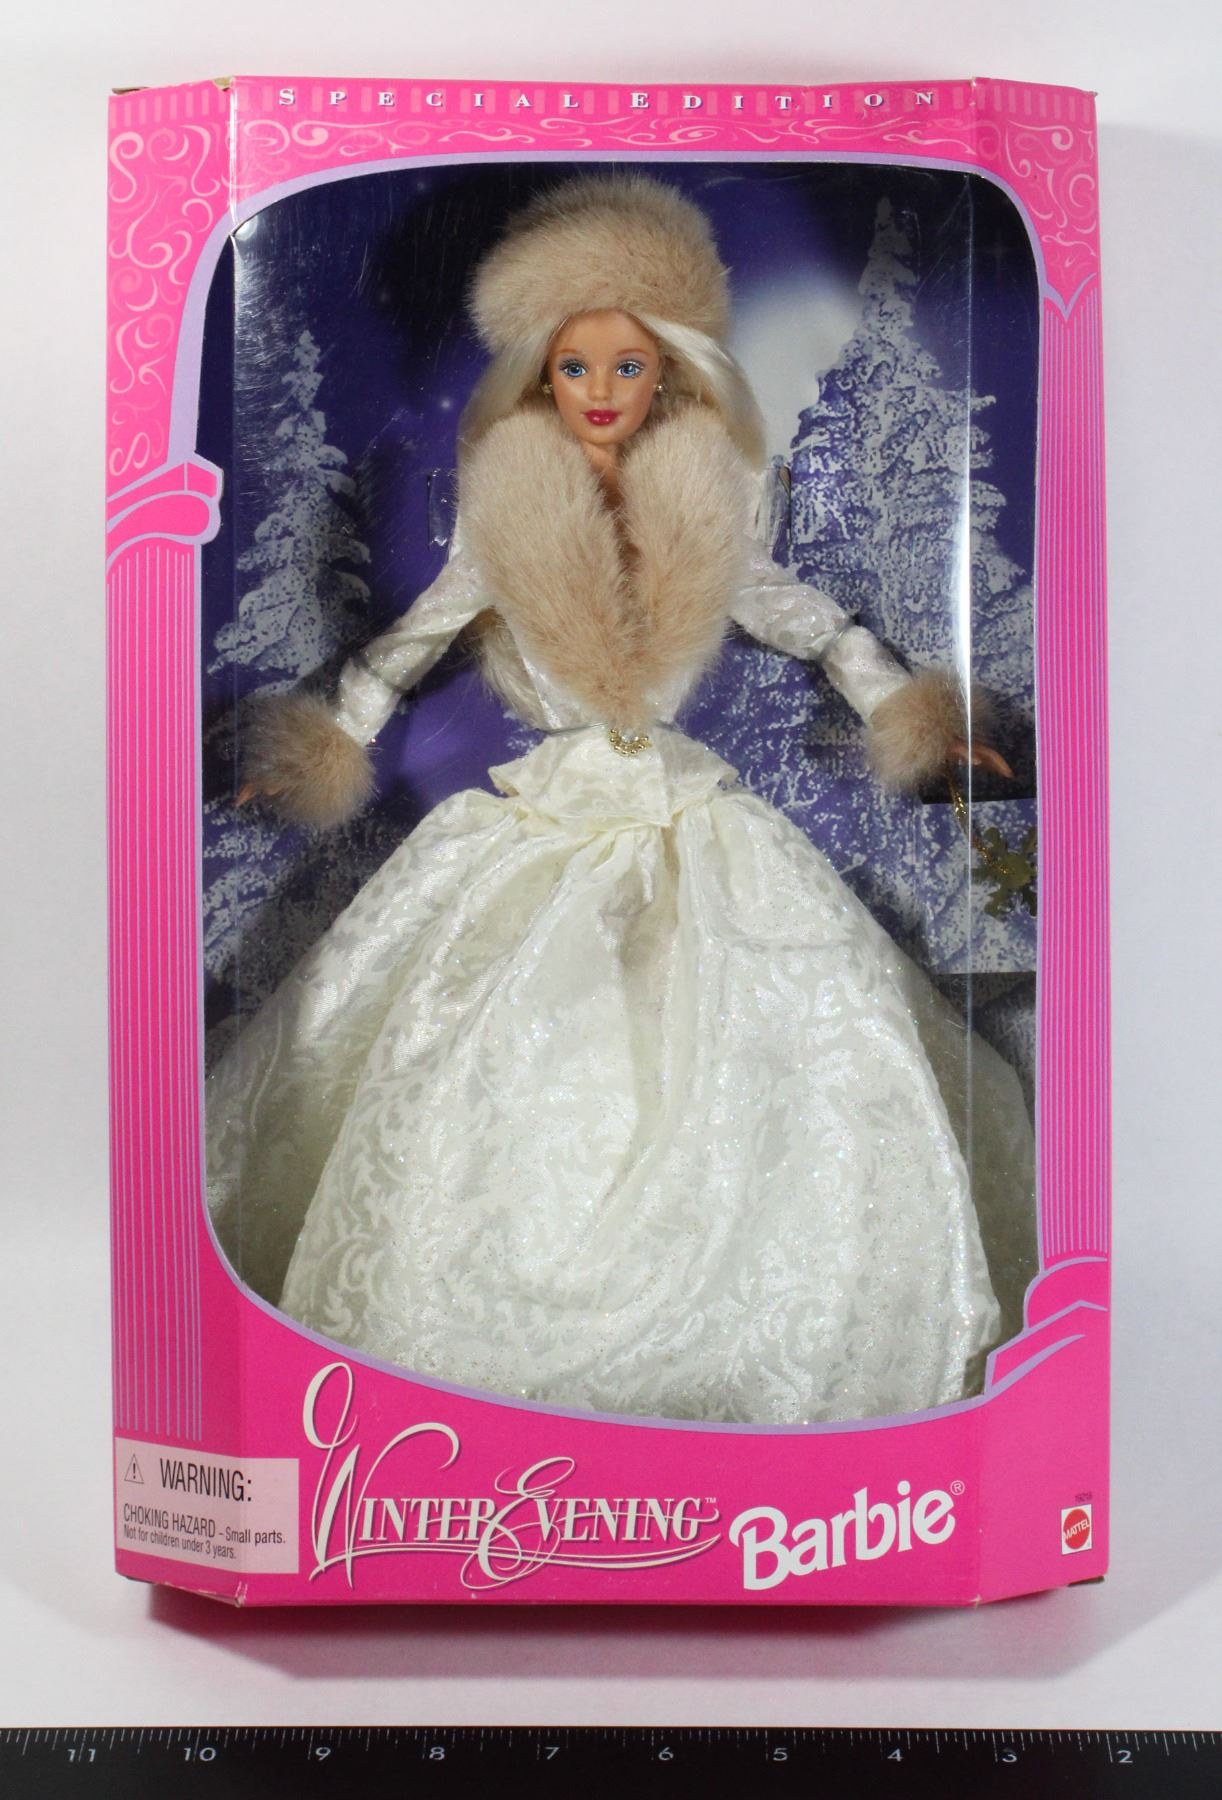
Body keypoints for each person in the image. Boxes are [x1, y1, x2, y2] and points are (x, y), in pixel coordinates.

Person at [206, 174, 1033, 1425]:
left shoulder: (708, 500)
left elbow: (807, 620)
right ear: (540, 373)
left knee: (785, 1032)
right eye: (576, 367)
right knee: (478, 1048)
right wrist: (324, 742)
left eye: (628, 368)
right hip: (543, 811)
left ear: (673, 373)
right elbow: (409, 643)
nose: (601, 391)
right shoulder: (504, 508)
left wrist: (906, 713)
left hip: (687, 813)